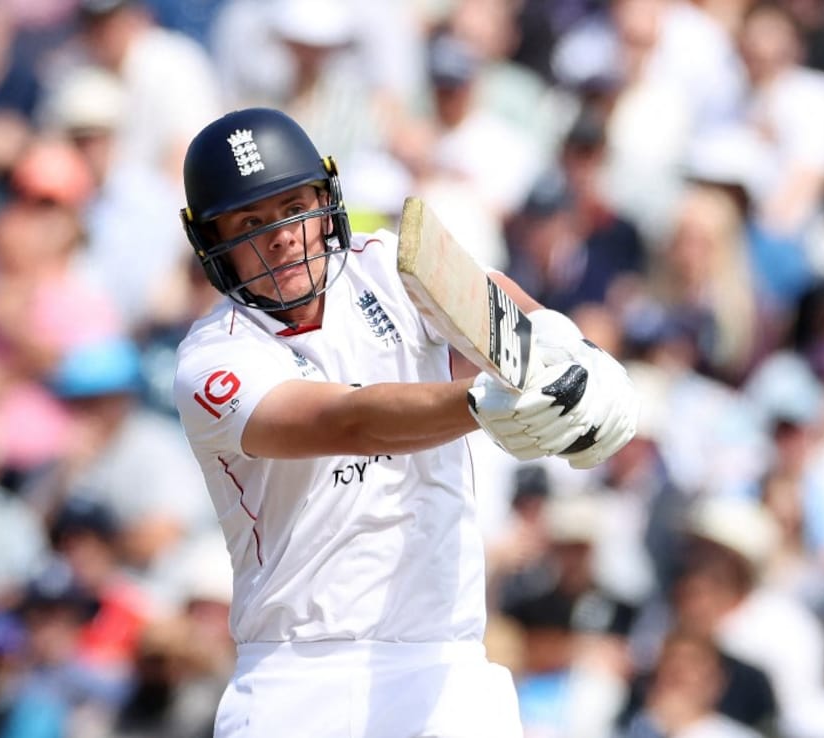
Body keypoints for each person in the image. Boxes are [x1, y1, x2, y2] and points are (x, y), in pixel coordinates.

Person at [171, 107, 638, 738]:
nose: (280, 237)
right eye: (250, 223)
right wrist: (480, 404)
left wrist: (573, 355)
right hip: (300, 677)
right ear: (213, 244)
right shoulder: (212, 360)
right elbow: (346, 421)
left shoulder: (387, 264)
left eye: (292, 209)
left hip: (447, 667)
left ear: (326, 203)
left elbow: (501, 308)